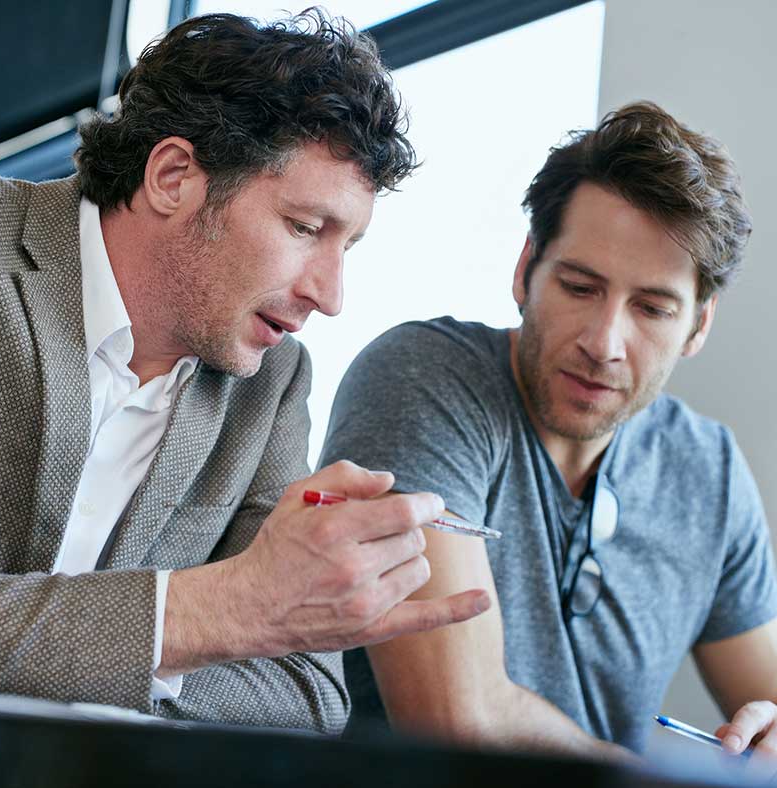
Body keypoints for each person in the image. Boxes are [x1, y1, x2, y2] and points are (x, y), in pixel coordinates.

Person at [0, 11, 490, 733]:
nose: (330, 295)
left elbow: (306, 698)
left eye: (350, 245)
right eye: (306, 229)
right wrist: (224, 608)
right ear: (174, 176)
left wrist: (176, 634)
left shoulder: (271, 385)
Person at [320, 101, 777, 758]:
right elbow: (459, 720)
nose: (604, 342)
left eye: (652, 308)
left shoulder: (709, 472)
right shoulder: (423, 379)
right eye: (580, 287)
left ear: (698, 327)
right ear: (525, 271)